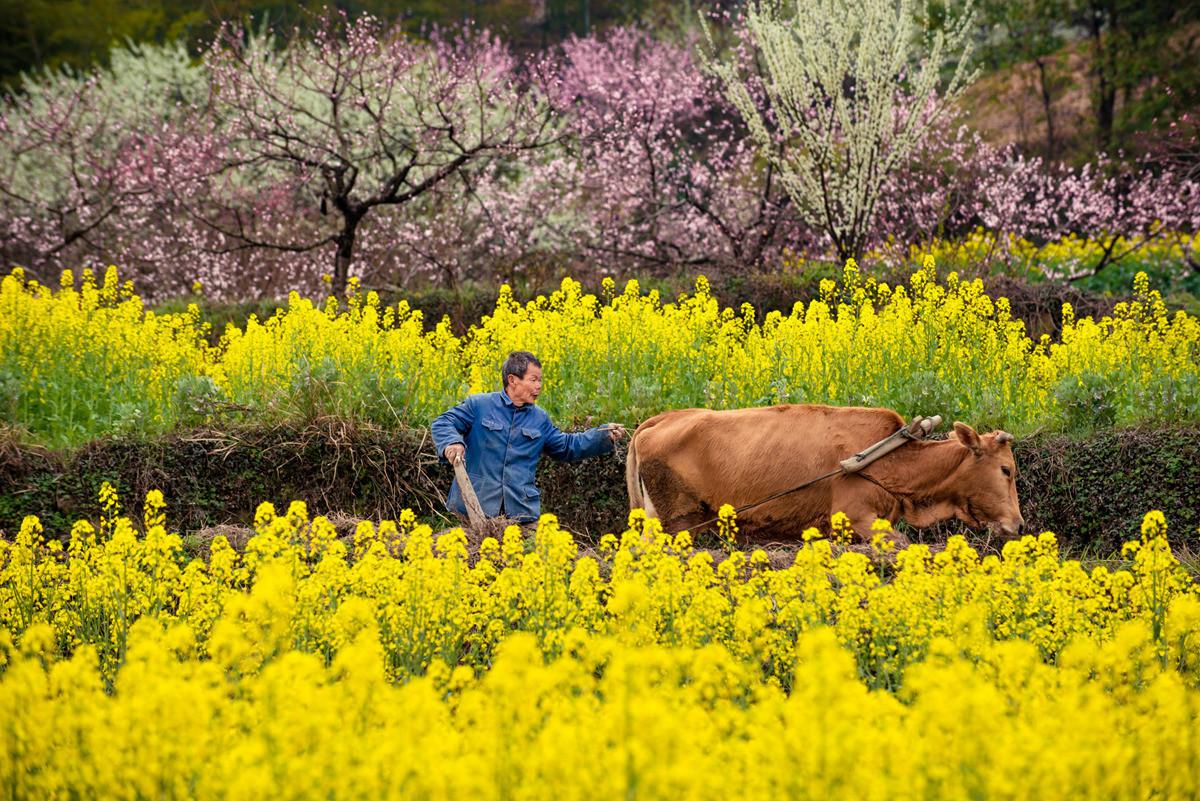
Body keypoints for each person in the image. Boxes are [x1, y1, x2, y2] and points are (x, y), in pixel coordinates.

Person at [431, 351, 626, 523]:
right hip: (474, 509)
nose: (539, 386)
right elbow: (443, 423)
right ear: (513, 380)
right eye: (533, 380)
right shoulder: (479, 405)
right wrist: (452, 442)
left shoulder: (539, 418)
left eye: (540, 380)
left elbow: (566, 446)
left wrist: (602, 435)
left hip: (520, 514)